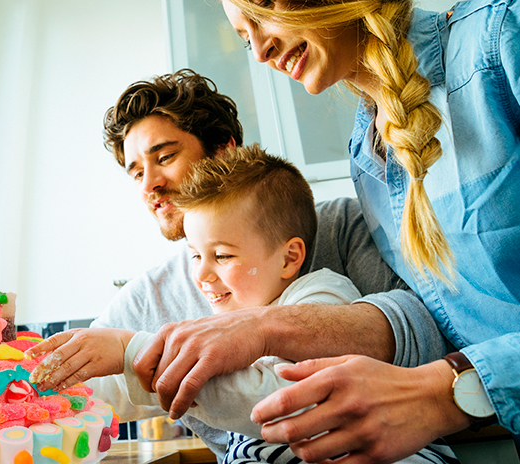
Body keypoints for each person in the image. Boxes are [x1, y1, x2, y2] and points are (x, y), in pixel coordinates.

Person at [0, 69, 446, 461]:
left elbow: (428, 333)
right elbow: (67, 388)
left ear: (225, 150)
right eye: (135, 172)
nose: (150, 184)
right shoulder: (144, 301)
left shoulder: (336, 228)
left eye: (163, 156)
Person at [132, 2, 520, 463]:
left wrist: (445, 392)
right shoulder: (367, 156)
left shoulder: (499, 40)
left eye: (265, 8)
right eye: (242, 35)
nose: (258, 50)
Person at [26, 144, 455, 464]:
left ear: (290, 258)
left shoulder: (323, 296)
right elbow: (125, 391)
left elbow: (283, 400)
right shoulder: (215, 323)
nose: (202, 275)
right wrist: (37, 388)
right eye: (196, 255)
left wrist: (132, 350)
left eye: (223, 256)